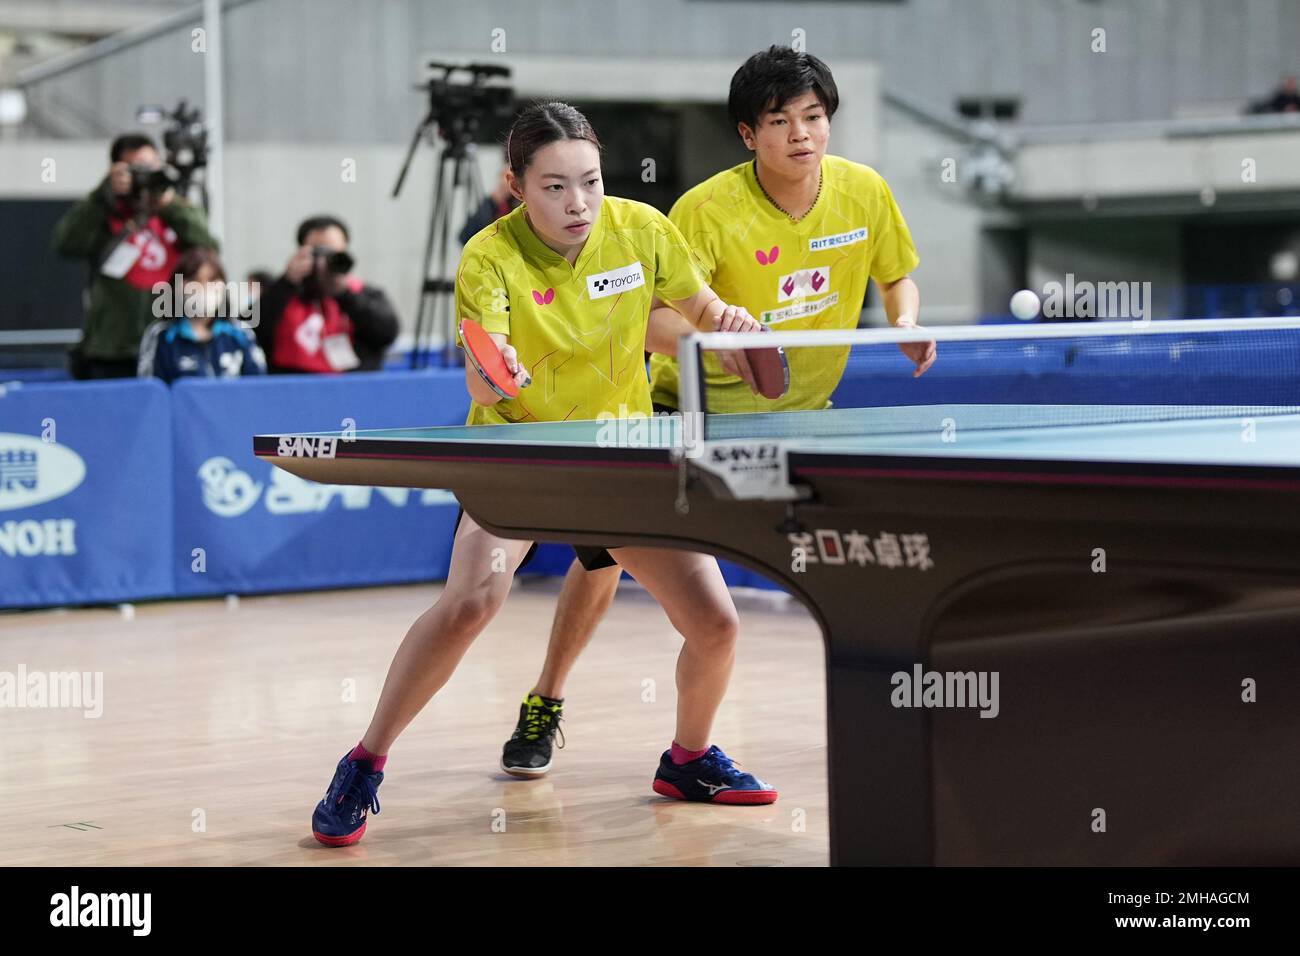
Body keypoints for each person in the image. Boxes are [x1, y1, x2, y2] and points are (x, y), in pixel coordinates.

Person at [310, 101, 777, 848]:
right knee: (469, 605)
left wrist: (735, 326)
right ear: (515, 185)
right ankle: (364, 761)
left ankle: (687, 759)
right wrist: (500, 376)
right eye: (555, 186)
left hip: (618, 458)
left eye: (588, 181)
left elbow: (703, 309)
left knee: (717, 624)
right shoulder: (488, 255)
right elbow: (482, 372)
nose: (578, 203)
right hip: (518, 458)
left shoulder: (643, 230)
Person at [499, 46, 937, 777]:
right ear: (746, 133)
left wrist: (907, 319)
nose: (802, 133)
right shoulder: (703, 211)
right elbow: (642, 317)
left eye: (815, 117)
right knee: (603, 560)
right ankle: (548, 696)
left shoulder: (864, 192)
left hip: (809, 419)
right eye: (781, 120)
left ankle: (866, 708)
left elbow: (898, 275)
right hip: (689, 415)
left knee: (863, 554)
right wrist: (715, 343)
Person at [52, 132, 219, 379]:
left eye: (152, 166)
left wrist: (168, 204)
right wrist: (103, 193)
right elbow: (65, 243)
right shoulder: (104, 212)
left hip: (170, 342)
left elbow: (209, 248)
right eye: (137, 168)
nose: (145, 175)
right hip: (114, 348)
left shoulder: (176, 209)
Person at [254, 216, 399, 373]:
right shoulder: (283, 294)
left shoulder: (364, 293)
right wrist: (286, 283)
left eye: (335, 254)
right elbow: (250, 330)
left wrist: (343, 293)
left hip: (353, 389)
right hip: (294, 390)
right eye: (319, 253)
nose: (326, 262)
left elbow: (387, 333)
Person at [138, 247, 266, 384]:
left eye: (212, 281)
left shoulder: (241, 333)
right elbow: (150, 392)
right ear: (178, 287)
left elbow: (258, 389)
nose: (204, 288)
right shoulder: (161, 336)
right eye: (196, 281)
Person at [458, 163, 519, 245]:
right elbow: (465, 236)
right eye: (504, 177)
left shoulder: (523, 205)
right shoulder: (493, 203)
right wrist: (494, 199)